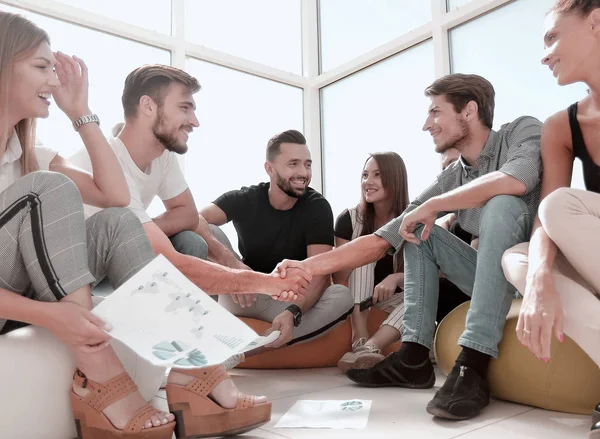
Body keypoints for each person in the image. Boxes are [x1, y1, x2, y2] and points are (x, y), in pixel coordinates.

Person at [275, 73, 543, 421]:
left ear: (469, 111)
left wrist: (432, 206)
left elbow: (517, 178)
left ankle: (473, 363)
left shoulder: (521, 130)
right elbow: (381, 239)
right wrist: (309, 267)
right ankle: (414, 358)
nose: (426, 124)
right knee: (415, 226)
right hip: (489, 277)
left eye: (435, 112)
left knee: (501, 203)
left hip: (532, 273)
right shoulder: (452, 177)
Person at [70, 64, 310, 437]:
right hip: (80, 270)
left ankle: (189, 375)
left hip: (120, 257)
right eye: (185, 108)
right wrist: (265, 282)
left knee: (192, 240)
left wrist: (152, 230)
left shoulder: (163, 156)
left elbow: (187, 214)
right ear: (149, 106)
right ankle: (200, 371)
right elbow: (168, 261)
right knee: (173, 248)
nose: (195, 120)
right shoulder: (110, 160)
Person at [0, 12, 176, 438]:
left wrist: (80, 112)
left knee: (117, 222)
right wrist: (52, 315)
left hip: (24, 282)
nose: (55, 80)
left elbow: (116, 197)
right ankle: (101, 374)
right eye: (42, 67)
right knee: (47, 187)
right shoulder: (39, 177)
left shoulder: (32, 155)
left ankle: (187, 369)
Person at [501, 1, 600, 436]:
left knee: (560, 205)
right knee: (517, 259)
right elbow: (548, 219)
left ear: (596, 22)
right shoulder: (560, 127)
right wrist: (540, 278)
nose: (544, 54)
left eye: (552, 37)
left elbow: (558, 209)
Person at [198, 130, 354, 352]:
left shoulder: (317, 206)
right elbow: (195, 219)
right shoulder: (245, 198)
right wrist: (234, 268)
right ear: (269, 169)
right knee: (206, 230)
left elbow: (320, 273)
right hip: (243, 293)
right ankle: (214, 338)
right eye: (293, 164)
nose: (303, 172)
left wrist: (292, 312)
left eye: (307, 165)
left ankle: (252, 348)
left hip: (287, 299)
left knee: (342, 295)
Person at [334, 152, 469, 372]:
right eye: (365, 175)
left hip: (393, 300)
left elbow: (429, 275)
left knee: (418, 294)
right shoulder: (349, 219)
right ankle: (360, 339)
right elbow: (340, 279)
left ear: (394, 179)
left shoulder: (412, 222)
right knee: (363, 254)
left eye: (377, 175)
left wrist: (397, 278)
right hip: (357, 299)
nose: (368, 182)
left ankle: (370, 348)